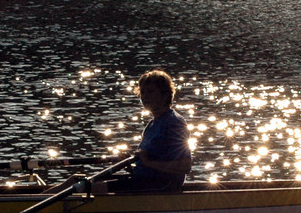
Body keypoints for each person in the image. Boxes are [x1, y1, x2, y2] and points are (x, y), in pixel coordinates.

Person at [47, 69, 192, 194]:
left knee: (86, 187)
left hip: (162, 184)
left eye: (151, 91)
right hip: (143, 179)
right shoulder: (153, 123)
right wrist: (130, 163)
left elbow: (185, 166)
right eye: (142, 92)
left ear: (166, 95)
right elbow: (147, 161)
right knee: (75, 180)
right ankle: (30, 202)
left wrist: (148, 162)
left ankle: (36, 210)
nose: (145, 97)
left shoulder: (174, 122)